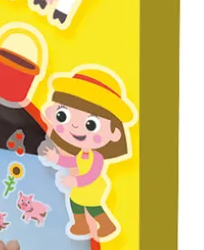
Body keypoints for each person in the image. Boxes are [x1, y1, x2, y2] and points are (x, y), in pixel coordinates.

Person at [38, 66, 137, 241]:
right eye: (63, 116)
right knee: (75, 203)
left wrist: (75, 181)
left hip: (92, 187)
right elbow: (72, 162)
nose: (75, 126)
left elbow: (93, 174)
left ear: (114, 133)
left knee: (93, 207)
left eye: (91, 125)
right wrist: (56, 158)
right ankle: (81, 224)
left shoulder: (96, 157)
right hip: (80, 187)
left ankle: (107, 225)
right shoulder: (81, 153)